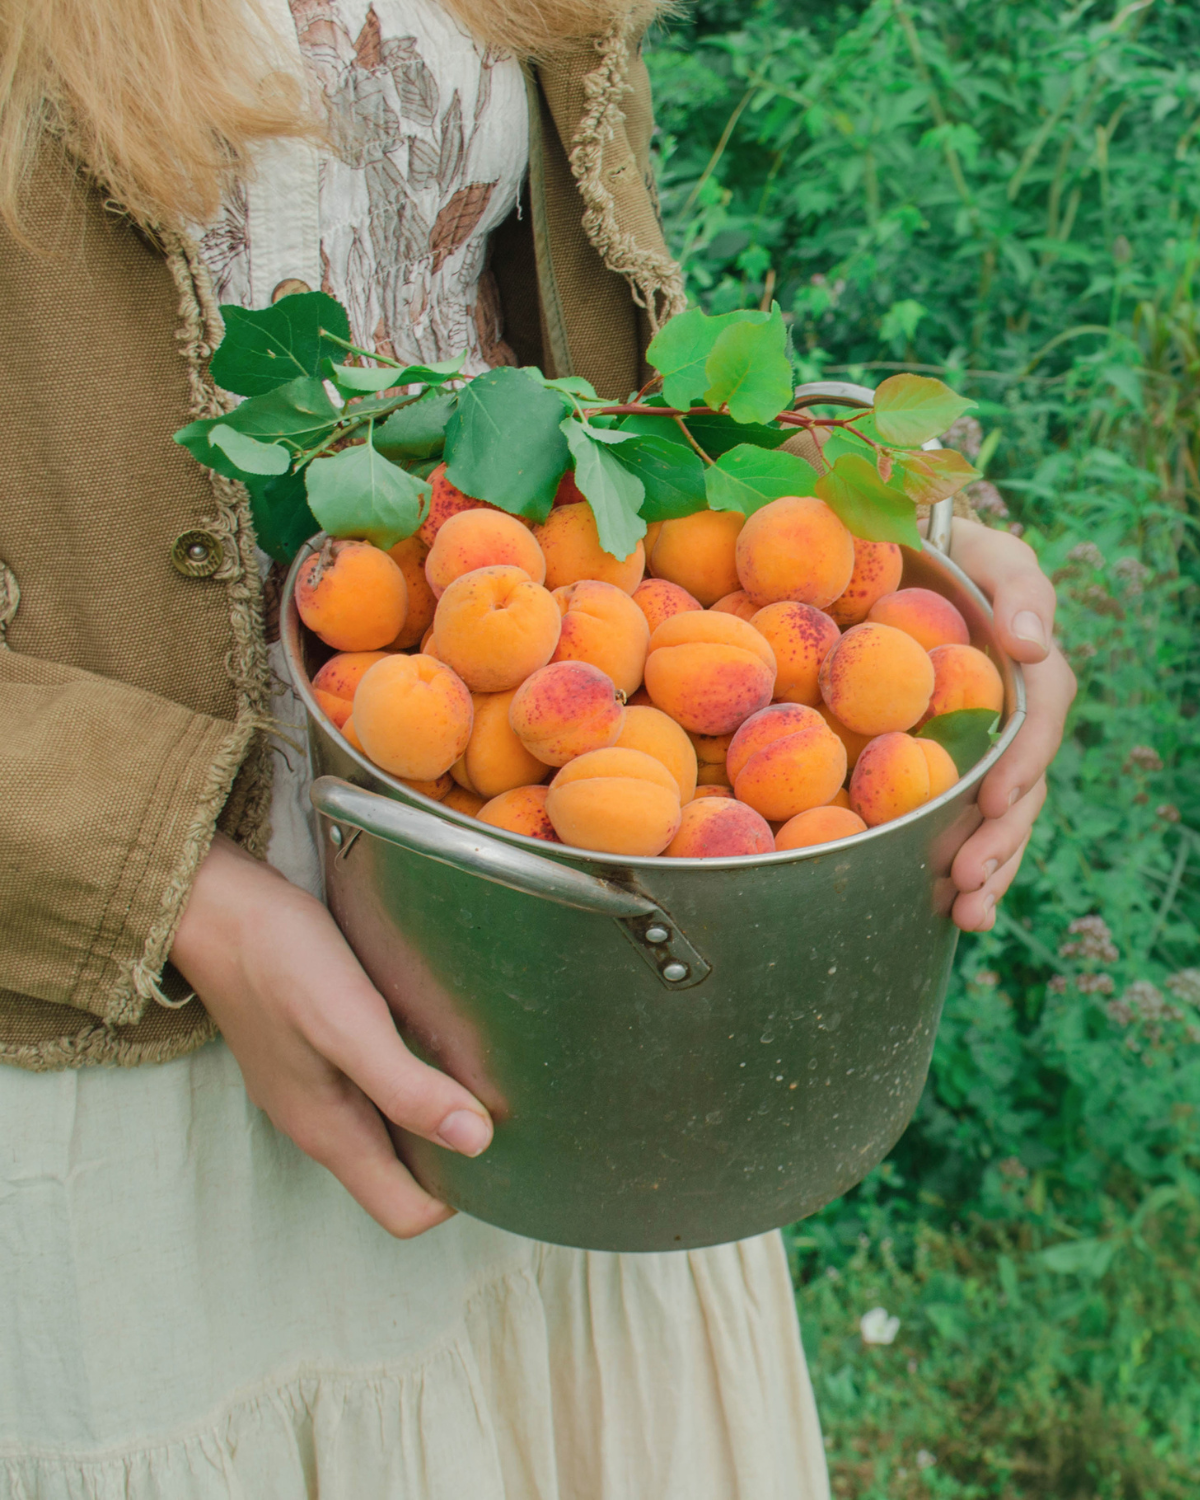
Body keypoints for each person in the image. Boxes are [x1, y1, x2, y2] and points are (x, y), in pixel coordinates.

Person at [0, 0, 1075, 1494]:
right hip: (138, 1020)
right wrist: (177, 887)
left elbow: (586, 375)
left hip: (549, 932)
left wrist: (891, 530)